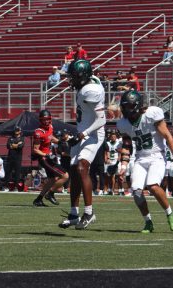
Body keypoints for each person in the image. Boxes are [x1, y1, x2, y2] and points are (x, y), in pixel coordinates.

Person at [116, 90, 173, 233]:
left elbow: (168, 137)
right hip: (140, 158)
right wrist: (123, 165)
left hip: (157, 156)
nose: (126, 109)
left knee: (152, 186)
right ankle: (148, 222)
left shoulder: (151, 114)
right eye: (125, 106)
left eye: (129, 106)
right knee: (136, 192)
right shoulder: (123, 123)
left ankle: (170, 214)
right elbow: (127, 145)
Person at [59, 59, 105, 230]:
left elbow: (102, 119)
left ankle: (89, 212)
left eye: (74, 77)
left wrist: (83, 134)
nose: (71, 80)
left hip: (93, 134)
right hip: (82, 132)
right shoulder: (89, 83)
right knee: (73, 170)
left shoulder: (90, 90)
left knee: (81, 168)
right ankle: (73, 213)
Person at [32, 110, 69, 207]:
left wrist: (59, 141)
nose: (46, 121)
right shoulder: (38, 132)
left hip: (50, 157)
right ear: (40, 120)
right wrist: (45, 155)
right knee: (65, 176)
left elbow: (50, 137)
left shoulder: (50, 127)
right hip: (45, 158)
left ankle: (38, 199)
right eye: (44, 120)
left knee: (52, 179)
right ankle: (50, 194)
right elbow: (35, 150)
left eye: (48, 119)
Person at [5, 126, 25, 190]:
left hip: (18, 158)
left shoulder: (22, 138)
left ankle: (16, 187)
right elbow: (8, 146)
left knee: (17, 172)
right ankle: (6, 186)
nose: (16, 131)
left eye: (17, 130)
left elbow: (20, 146)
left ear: (20, 131)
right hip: (10, 157)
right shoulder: (10, 138)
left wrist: (13, 145)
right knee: (8, 172)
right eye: (15, 130)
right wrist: (16, 145)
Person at [104, 130, 121, 196]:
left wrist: (118, 160)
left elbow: (120, 153)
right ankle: (107, 189)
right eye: (112, 136)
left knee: (114, 176)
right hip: (109, 161)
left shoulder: (118, 143)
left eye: (114, 136)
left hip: (115, 161)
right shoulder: (107, 143)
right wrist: (106, 159)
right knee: (107, 176)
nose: (113, 138)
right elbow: (105, 152)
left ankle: (112, 190)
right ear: (110, 137)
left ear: (116, 137)